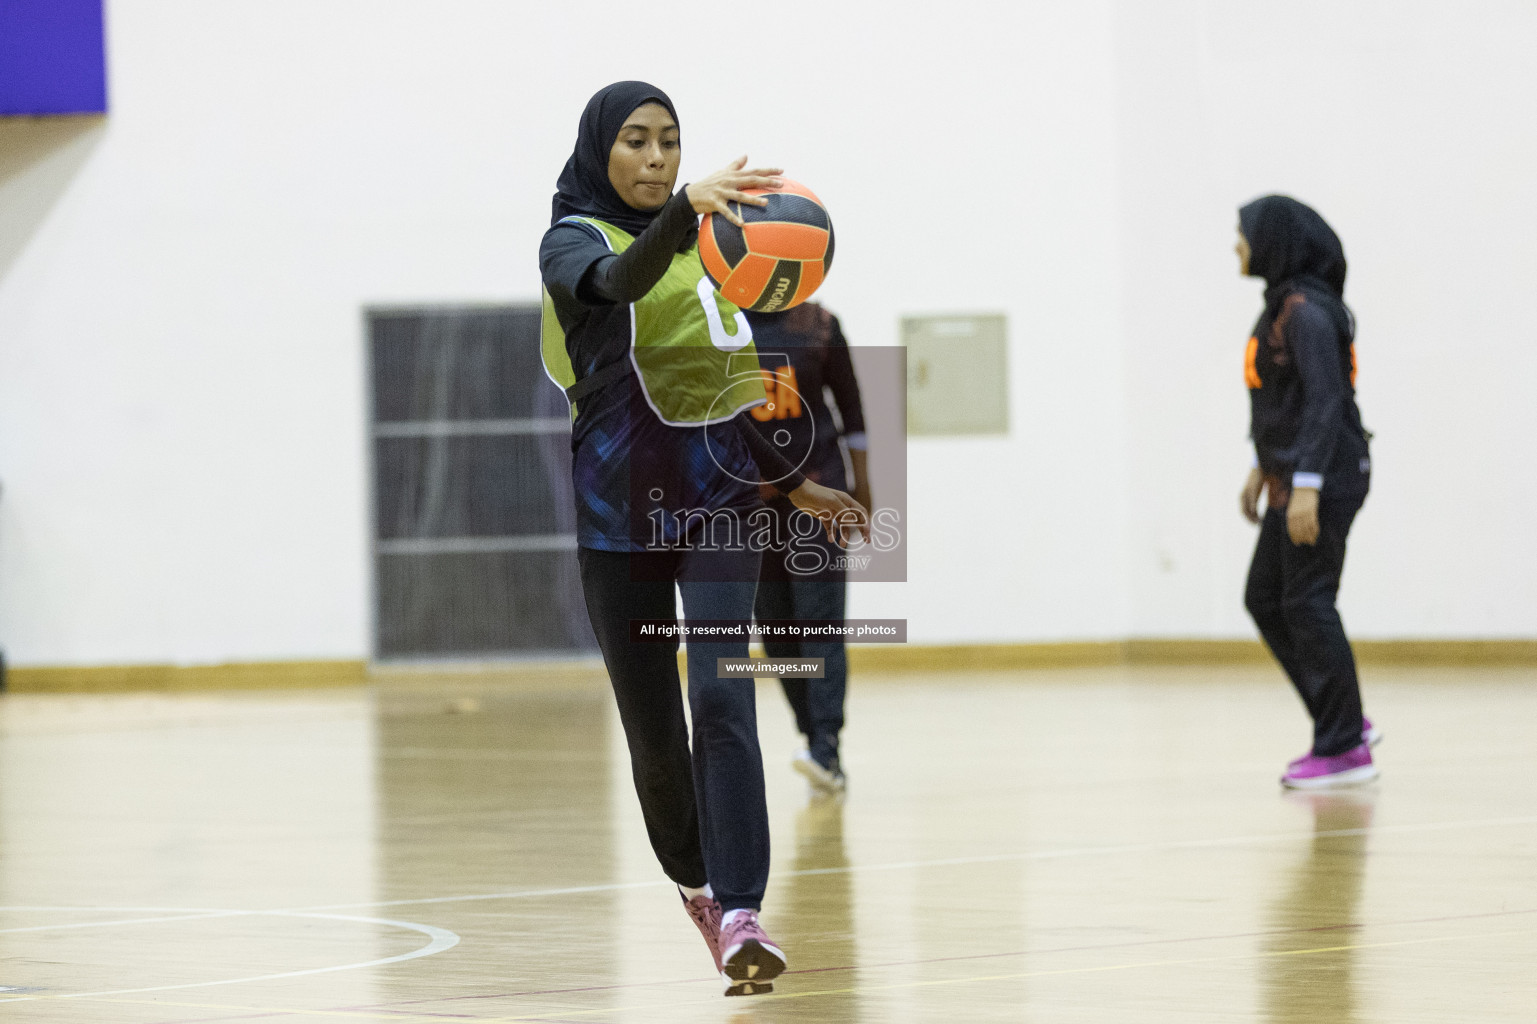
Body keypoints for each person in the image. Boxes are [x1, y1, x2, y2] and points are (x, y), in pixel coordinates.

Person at [538, 81, 866, 996]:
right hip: (621, 519)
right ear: (601, 151)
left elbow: (726, 388)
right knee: (655, 737)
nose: (654, 158)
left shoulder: (713, 255)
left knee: (723, 698)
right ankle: (699, 890)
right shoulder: (574, 242)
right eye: (636, 142)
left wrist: (796, 481)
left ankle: (743, 906)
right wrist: (682, 215)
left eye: (670, 143)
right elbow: (614, 283)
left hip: (720, 505)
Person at [1235, 195, 1380, 790]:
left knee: (1307, 600)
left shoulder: (1306, 313)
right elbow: (1280, 401)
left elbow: (1325, 403)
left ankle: (1344, 744)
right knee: (1266, 597)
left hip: (1325, 477)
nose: (1237, 247)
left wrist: (1308, 487)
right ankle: (1342, 717)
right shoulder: (1280, 309)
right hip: (1292, 475)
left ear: (1274, 240)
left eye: (1243, 235)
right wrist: (1258, 466)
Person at [744, 303, 869, 794]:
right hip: (753, 497)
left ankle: (827, 748)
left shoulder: (818, 325)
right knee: (775, 628)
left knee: (820, 621)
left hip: (819, 490)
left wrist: (865, 487)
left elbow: (853, 411)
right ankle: (811, 733)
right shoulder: (721, 316)